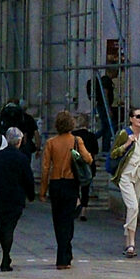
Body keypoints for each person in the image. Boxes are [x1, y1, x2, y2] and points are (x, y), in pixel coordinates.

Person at [39, 111, 92, 270]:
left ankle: (63, 253)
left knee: (58, 219)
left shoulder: (51, 142)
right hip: (71, 184)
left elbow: (45, 168)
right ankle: (65, 255)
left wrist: (43, 190)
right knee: (68, 220)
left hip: (56, 184)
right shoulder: (77, 140)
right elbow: (88, 159)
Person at [108, 107, 140, 260]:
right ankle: (131, 242)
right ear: (131, 119)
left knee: (134, 209)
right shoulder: (124, 134)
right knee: (133, 206)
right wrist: (126, 144)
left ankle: (128, 241)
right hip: (126, 175)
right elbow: (113, 153)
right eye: (137, 116)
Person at [0, 128, 34, 273]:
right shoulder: (22, 158)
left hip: (0, 196)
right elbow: (28, 179)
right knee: (9, 227)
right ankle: (6, 257)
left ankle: (6, 256)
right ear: (19, 141)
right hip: (16, 198)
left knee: (4, 226)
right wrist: (31, 195)